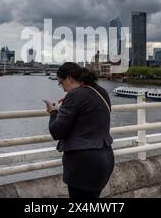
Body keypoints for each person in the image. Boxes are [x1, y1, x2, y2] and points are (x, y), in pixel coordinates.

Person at [43, 62, 115, 198]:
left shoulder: (75, 95)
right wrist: (71, 102)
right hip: (105, 157)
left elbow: (56, 131)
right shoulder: (101, 91)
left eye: (61, 83)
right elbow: (91, 115)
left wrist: (53, 112)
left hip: (84, 163)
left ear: (69, 78)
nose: (63, 89)